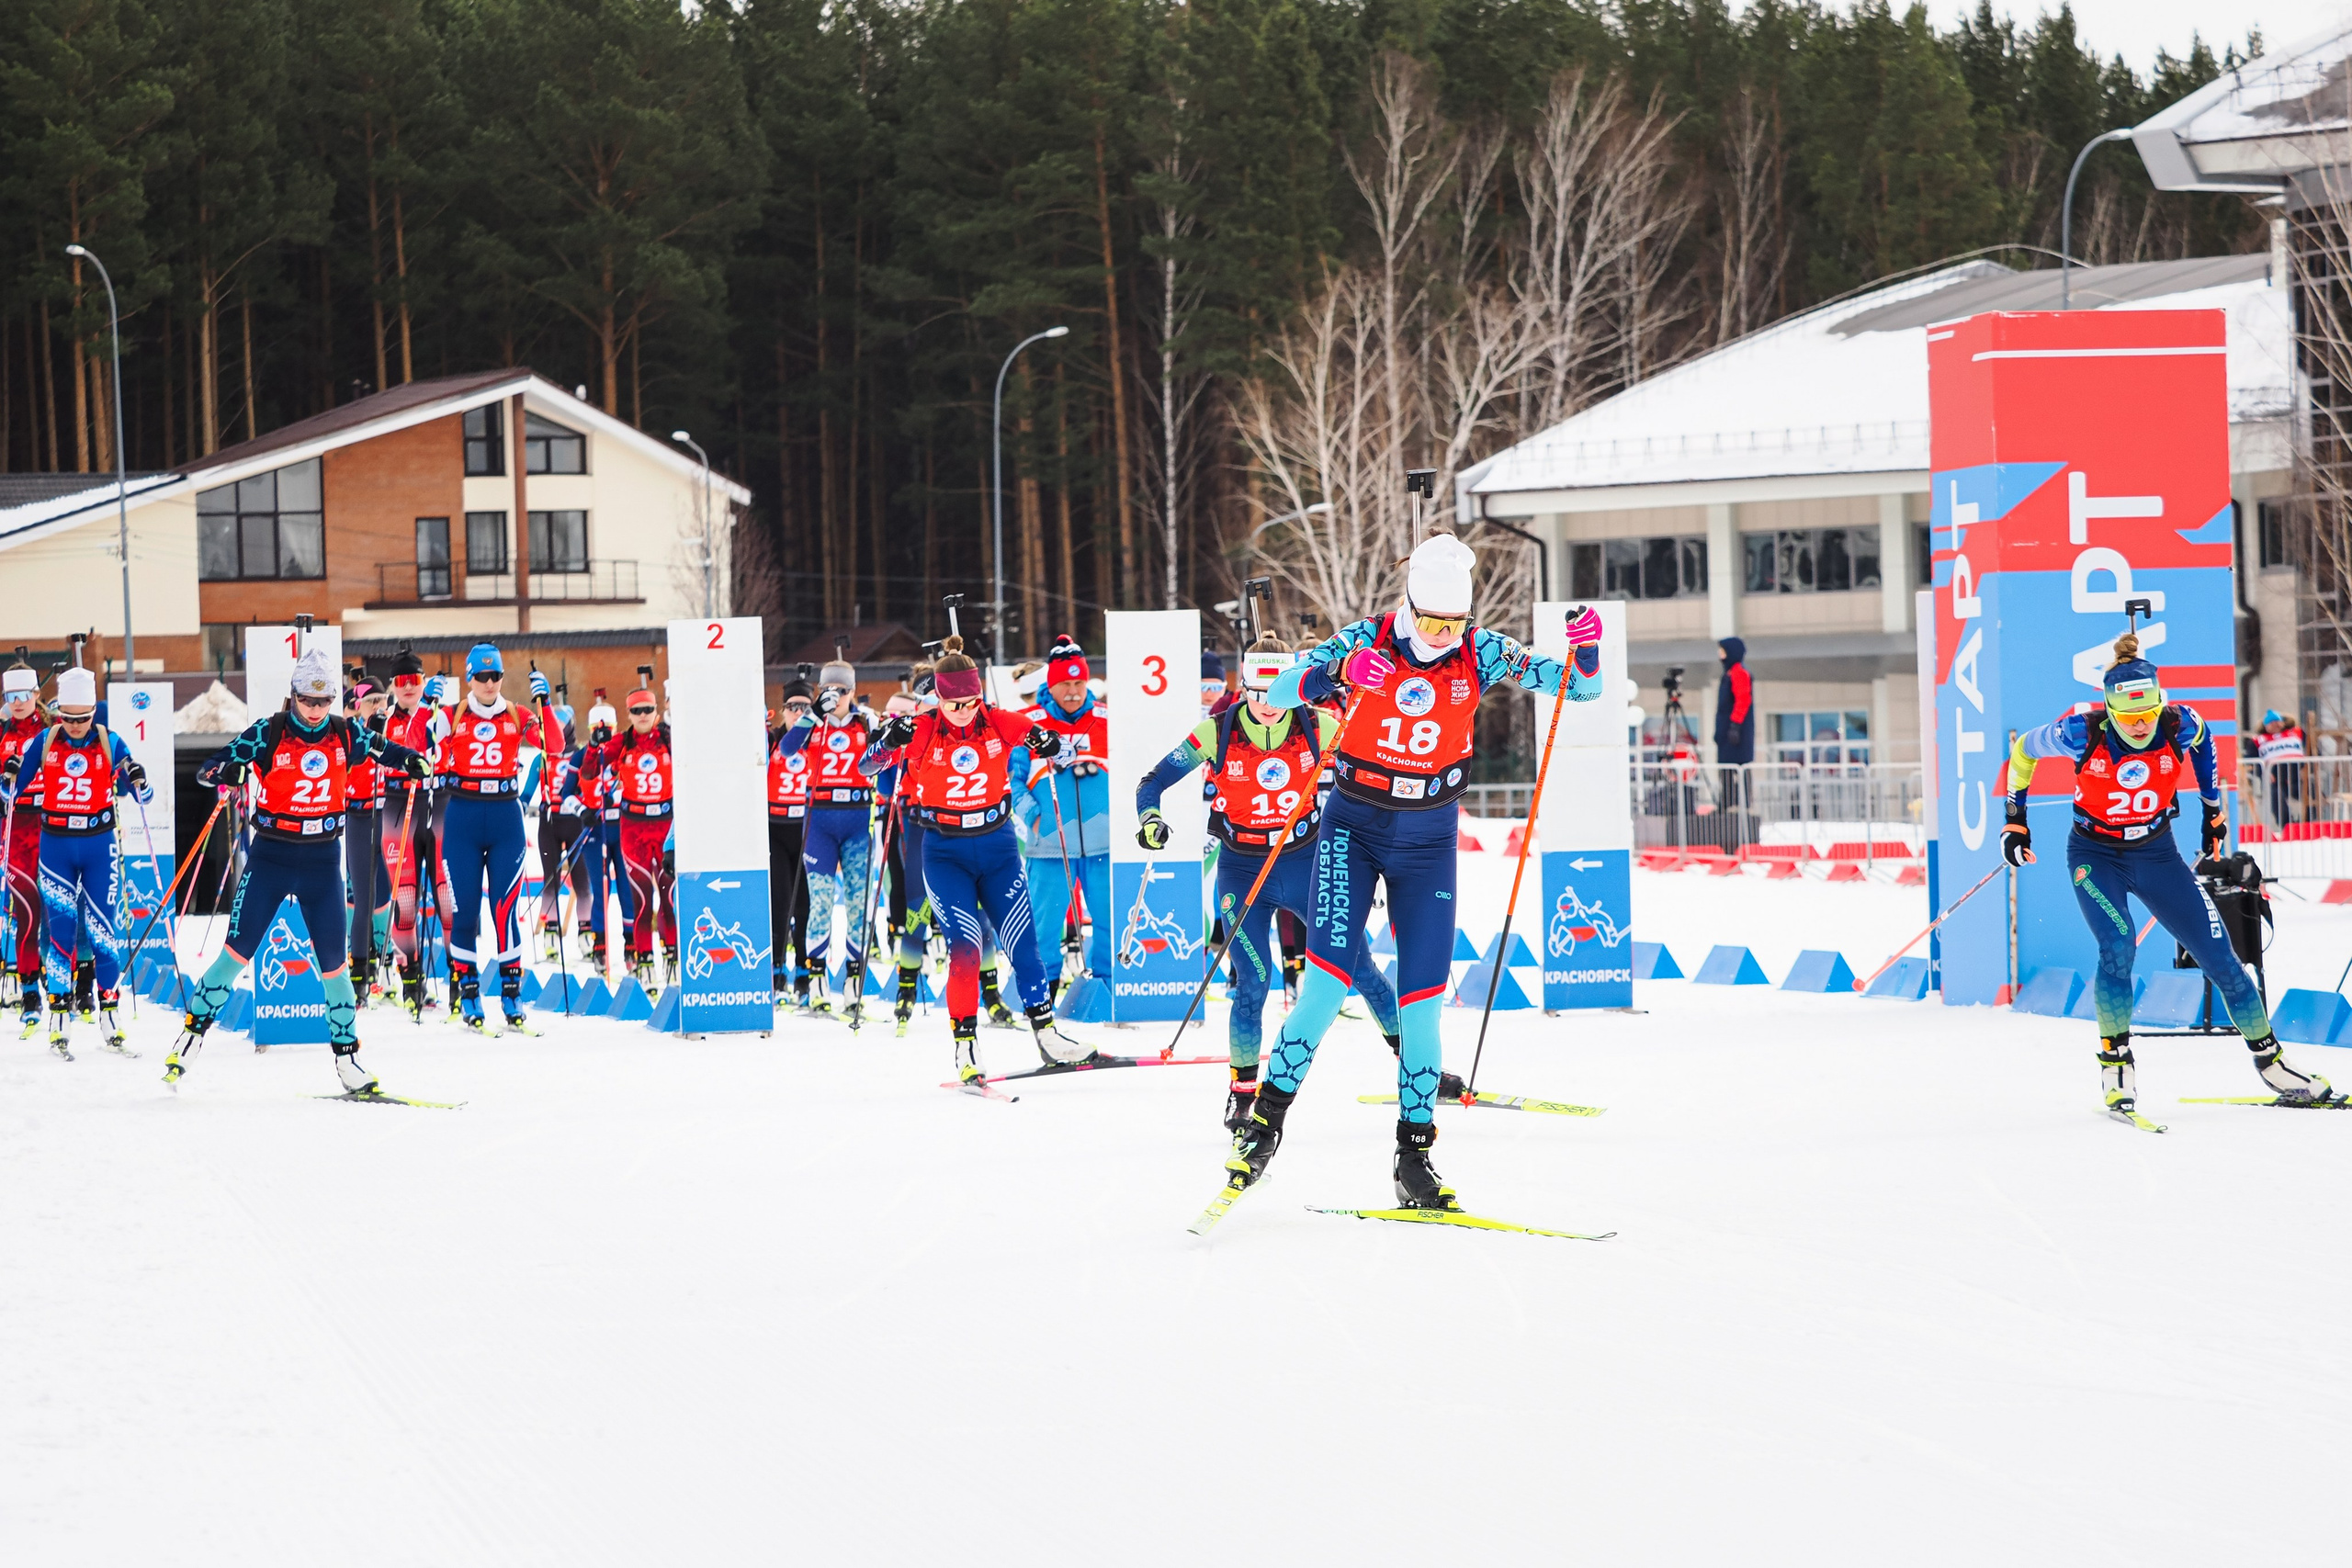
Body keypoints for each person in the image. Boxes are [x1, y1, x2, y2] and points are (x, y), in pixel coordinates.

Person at [1222, 534, 1605, 1211]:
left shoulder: (1480, 650)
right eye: (1429, 621)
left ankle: (1414, 1155)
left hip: (1429, 840)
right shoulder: (1367, 638)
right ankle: (1264, 1128)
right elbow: (1279, 688)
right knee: (1324, 987)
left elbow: (1581, 687)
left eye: (1452, 624)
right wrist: (1336, 675)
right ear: (1408, 604)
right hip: (1353, 828)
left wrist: (1589, 650)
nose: (1439, 636)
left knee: (1422, 1001)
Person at [2003, 630, 2338, 1118]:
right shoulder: (2081, 732)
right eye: (2129, 718)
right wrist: (2015, 820)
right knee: (2119, 945)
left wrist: (2212, 810)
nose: (2141, 725)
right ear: (2110, 711)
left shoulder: (2180, 723)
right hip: (2096, 856)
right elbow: (2023, 753)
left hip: (2157, 854)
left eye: (2148, 713)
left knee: (2221, 956)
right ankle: (2116, 1064)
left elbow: (2205, 745)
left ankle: (2274, 1065)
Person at [1135, 635, 1415, 1131]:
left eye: (1278, 691)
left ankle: (1415, 1066)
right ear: (1243, 688)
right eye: (1257, 693)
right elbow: (1152, 781)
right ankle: (1242, 1094)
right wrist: (1150, 818)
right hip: (1243, 870)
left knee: (1360, 968)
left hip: (1306, 863)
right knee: (1253, 982)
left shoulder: (1319, 725)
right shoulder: (1216, 731)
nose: (1268, 704)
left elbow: (1380, 770)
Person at [166, 650, 429, 1090]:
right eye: (308, 700)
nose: (315, 710)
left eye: (324, 702)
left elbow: (384, 749)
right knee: (235, 955)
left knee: (334, 968)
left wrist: (410, 760)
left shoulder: (345, 733)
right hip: (271, 856)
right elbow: (209, 769)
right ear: (294, 696)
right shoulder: (269, 732)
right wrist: (228, 773)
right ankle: (191, 1037)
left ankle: (348, 1060)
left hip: (322, 861)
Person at [860, 635, 1082, 1081]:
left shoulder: (997, 720)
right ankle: (966, 1046)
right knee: (965, 949)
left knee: (1024, 945)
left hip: (998, 848)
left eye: (970, 702)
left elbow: (1064, 747)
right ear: (939, 698)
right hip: (945, 852)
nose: (963, 710)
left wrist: (1049, 743)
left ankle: (1047, 1034)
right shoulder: (922, 728)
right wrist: (885, 743)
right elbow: (867, 767)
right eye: (953, 704)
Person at [8, 667, 152, 1057]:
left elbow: (141, 793)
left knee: (103, 933)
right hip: (55, 845)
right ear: (59, 714)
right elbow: (11, 792)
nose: (74, 726)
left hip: (98, 845)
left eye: (83, 718)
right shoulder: (45, 740)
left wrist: (136, 777)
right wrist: (9, 776)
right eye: (68, 718)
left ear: (93, 712)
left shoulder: (108, 740)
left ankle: (110, 1017)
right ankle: (59, 1017)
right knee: (60, 934)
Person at [430, 643, 554, 1032]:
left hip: (505, 819)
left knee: (504, 911)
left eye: (495, 676)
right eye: (482, 677)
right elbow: (419, 748)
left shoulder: (518, 714)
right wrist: (426, 710)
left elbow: (554, 746)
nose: (489, 683)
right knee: (465, 911)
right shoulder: (452, 714)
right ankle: (468, 994)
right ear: (470, 678)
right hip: (462, 818)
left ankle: (511, 994)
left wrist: (547, 705)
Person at [775, 651, 876, 1018]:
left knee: (858, 903)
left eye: (842, 691)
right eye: (829, 691)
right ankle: (816, 979)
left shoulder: (866, 722)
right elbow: (787, 748)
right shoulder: (813, 722)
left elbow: (884, 764)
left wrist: (886, 740)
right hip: (819, 822)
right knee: (820, 902)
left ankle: (853, 981)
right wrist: (814, 712)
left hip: (857, 822)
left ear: (853, 692)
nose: (836, 697)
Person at [1013, 634, 1111, 999]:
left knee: (1109, 921)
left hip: (1104, 845)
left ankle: (1107, 990)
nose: (1072, 692)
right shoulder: (1029, 724)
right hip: (1050, 847)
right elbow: (1012, 780)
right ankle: (1043, 995)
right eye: (1064, 685)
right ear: (1050, 686)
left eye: (1078, 683)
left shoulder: (1107, 719)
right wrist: (1033, 818)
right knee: (1044, 925)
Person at [582, 681, 675, 987]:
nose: (643, 715)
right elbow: (589, 772)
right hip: (633, 827)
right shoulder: (622, 742)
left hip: (665, 826)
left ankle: (673, 958)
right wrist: (594, 745)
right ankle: (644, 961)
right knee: (641, 899)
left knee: (669, 898)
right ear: (629, 714)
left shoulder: (668, 738)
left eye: (648, 709)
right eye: (636, 711)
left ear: (656, 710)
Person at [381, 647, 452, 1018]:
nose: (409, 687)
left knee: (446, 898)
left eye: (415, 680)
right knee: (406, 900)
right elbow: (382, 754)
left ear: (424, 682)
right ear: (393, 685)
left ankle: (461, 980)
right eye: (402, 681)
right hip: (399, 807)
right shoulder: (384, 721)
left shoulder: (441, 714)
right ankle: (411, 979)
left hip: (438, 804)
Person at [1, 660, 47, 1032]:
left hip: (53, 828)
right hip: (15, 831)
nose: (17, 703)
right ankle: (29, 991)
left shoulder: (54, 732)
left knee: (60, 914)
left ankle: (67, 985)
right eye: (10, 696)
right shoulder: (2, 735)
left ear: (36, 694)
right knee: (27, 914)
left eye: (23, 695)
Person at [766, 676, 816, 1005]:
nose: (798, 713)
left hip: (808, 830)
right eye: (792, 707)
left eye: (804, 707)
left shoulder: (819, 740)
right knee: (781, 903)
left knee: (806, 906)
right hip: (775, 829)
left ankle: (803, 967)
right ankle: (777, 968)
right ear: (783, 710)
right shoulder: (772, 740)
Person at [344, 676, 393, 1003]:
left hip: (389, 816)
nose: (378, 706)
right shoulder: (350, 733)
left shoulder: (395, 728)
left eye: (381, 699)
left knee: (389, 898)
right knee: (363, 900)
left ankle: (389, 968)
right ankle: (359, 977)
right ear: (358, 706)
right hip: (359, 819)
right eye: (371, 701)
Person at [2256, 709, 2306, 830]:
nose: (2275, 725)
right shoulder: (2257, 740)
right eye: (2271, 723)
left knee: (2315, 795)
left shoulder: (2297, 733)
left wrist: (2307, 768)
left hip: (2296, 777)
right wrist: (2263, 772)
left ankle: (2307, 823)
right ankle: (2288, 825)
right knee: (2275, 797)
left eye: (2277, 722)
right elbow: (2252, 762)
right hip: (2274, 781)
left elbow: (2312, 748)